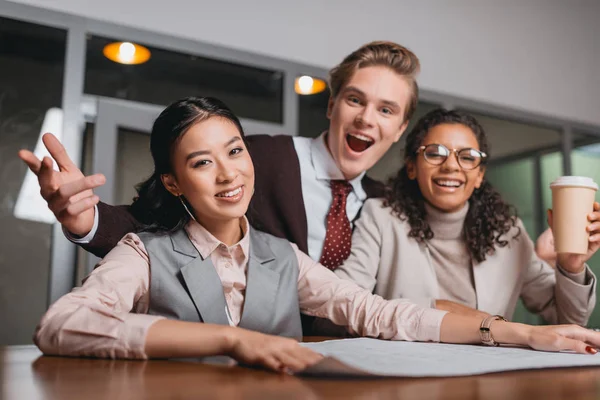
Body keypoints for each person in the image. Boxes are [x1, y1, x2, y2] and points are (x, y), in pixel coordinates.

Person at [34, 97, 600, 373]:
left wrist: (524, 336)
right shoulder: (146, 252)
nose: (230, 173)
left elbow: (383, 314)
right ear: (173, 182)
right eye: (203, 163)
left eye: (235, 151)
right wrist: (229, 339)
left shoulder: (285, 257)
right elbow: (61, 324)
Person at [334, 108, 597, 325]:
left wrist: (571, 265)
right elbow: (343, 302)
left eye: (467, 157)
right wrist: (444, 310)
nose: (451, 166)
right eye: (435, 153)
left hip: (488, 376)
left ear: (480, 175)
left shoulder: (508, 232)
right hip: (404, 373)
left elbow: (569, 322)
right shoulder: (380, 217)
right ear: (412, 167)